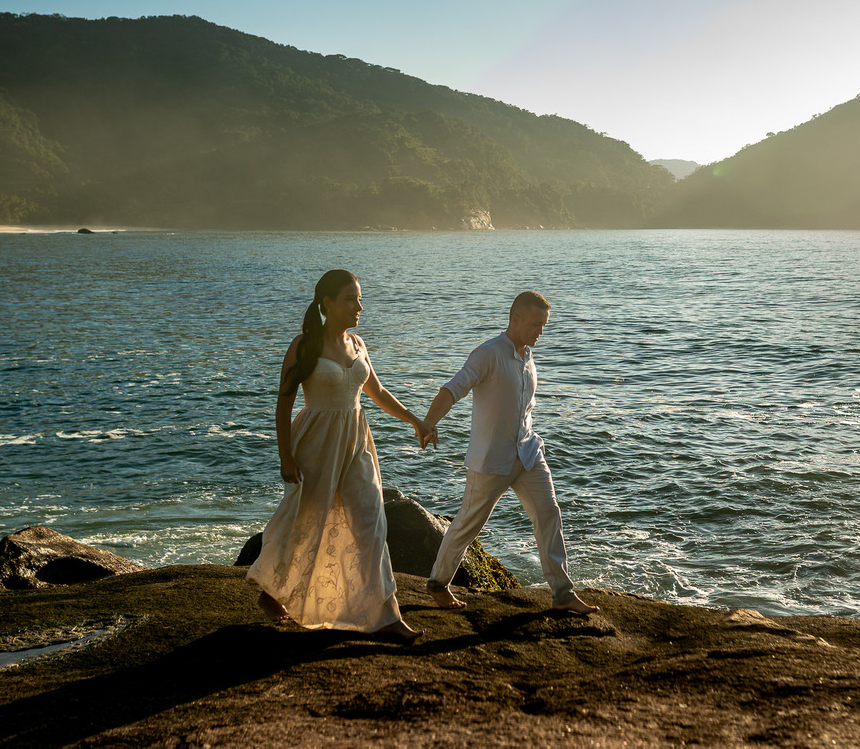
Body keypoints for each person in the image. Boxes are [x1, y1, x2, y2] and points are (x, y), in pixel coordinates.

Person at [246, 270, 431, 641]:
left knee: (372, 522)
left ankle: (387, 615)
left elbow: (377, 393)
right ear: (327, 303)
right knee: (306, 523)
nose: (358, 306)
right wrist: (285, 456)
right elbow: (283, 405)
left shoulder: (358, 344)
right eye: (350, 299)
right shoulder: (305, 345)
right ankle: (271, 592)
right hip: (315, 444)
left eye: (360, 299)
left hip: (356, 443)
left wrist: (415, 419)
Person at [421, 290, 599, 614]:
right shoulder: (487, 354)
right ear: (515, 320)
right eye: (535, 325)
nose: (540, 332)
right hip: (491, 459)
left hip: (528, 453)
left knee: (549, 514)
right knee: (468, 524)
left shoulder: (528, 356)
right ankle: (437, 584)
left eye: (543, 326)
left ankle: (562, 593)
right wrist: (429, 422)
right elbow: (453, 388)